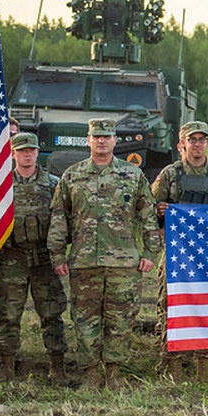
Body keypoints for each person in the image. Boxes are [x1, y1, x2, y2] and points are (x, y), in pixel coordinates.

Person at [48, 119, 161, 389]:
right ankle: (89, 374)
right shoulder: (72, 176)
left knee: (121, 319)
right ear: (88, 140)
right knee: (85, 319)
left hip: (124, 263)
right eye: (96, 136)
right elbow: (59, 218)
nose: (101, 141)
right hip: (84, 262)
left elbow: (147, 216)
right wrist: (57, 255)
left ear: (114, 141)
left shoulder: (133, 176)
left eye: (106, 136)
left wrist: (149, 253)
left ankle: (114, 373)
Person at [151, 121, 208, 381]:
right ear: (182, 144)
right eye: (192, 140)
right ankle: (172, 361)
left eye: (202, 139)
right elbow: (150, 208)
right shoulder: (169, 174)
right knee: (170, 305)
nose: (198, 144)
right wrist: (160, 212)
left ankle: (204, 361)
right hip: (177, 253)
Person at [0, 132, 67, 382]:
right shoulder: (1, 187)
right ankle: (7, 365)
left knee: (51, 313)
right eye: (22, 150)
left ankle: (57, 366)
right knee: (8, 314)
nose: (27, 154)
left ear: (37, 152)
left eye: (31, 150)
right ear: (13, 154)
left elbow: (64, 220)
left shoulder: (53, 184)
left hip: (44, 258)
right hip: (13, 258)